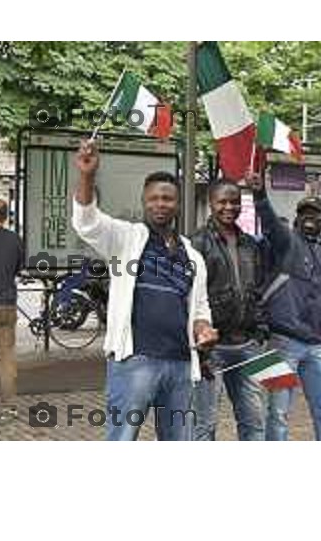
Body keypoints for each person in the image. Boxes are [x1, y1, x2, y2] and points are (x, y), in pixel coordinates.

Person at [72, 139, 217, 441]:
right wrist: (87, 176)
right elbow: (87, 223)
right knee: (122, 439)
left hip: (180, 364)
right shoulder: (126, 239)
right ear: (144, 202)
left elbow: (199, 307)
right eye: (153, 198)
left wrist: (203, 329)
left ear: (178, 204)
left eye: (167, 198)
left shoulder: (193, 256)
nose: (160, 204)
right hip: (135, 361)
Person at [245, 171, 321, 441]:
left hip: (316, 347)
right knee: (277, 413)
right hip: (280, 342)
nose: (310, 217)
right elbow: (270, 223)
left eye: (316, 213)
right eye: (304, 213)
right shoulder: (285, 242)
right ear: (297, 218)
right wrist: (259, 195)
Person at [191, 179, 269, 441]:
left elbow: (258, 289)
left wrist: (261, 331)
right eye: (222, 201)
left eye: (234, 201)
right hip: (212, 349)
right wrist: (198, 349)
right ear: (211, 204)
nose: (229, 207)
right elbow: (190, 297)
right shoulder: (197, 243)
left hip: (249, 345)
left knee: (255, 421)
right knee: (204, 424)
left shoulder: (250, 243)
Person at [0, 198, 23, 420]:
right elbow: (20, 267)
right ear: (6, 216)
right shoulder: (14, 240)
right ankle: (8, 408)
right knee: (6, 358)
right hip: (5, 305)